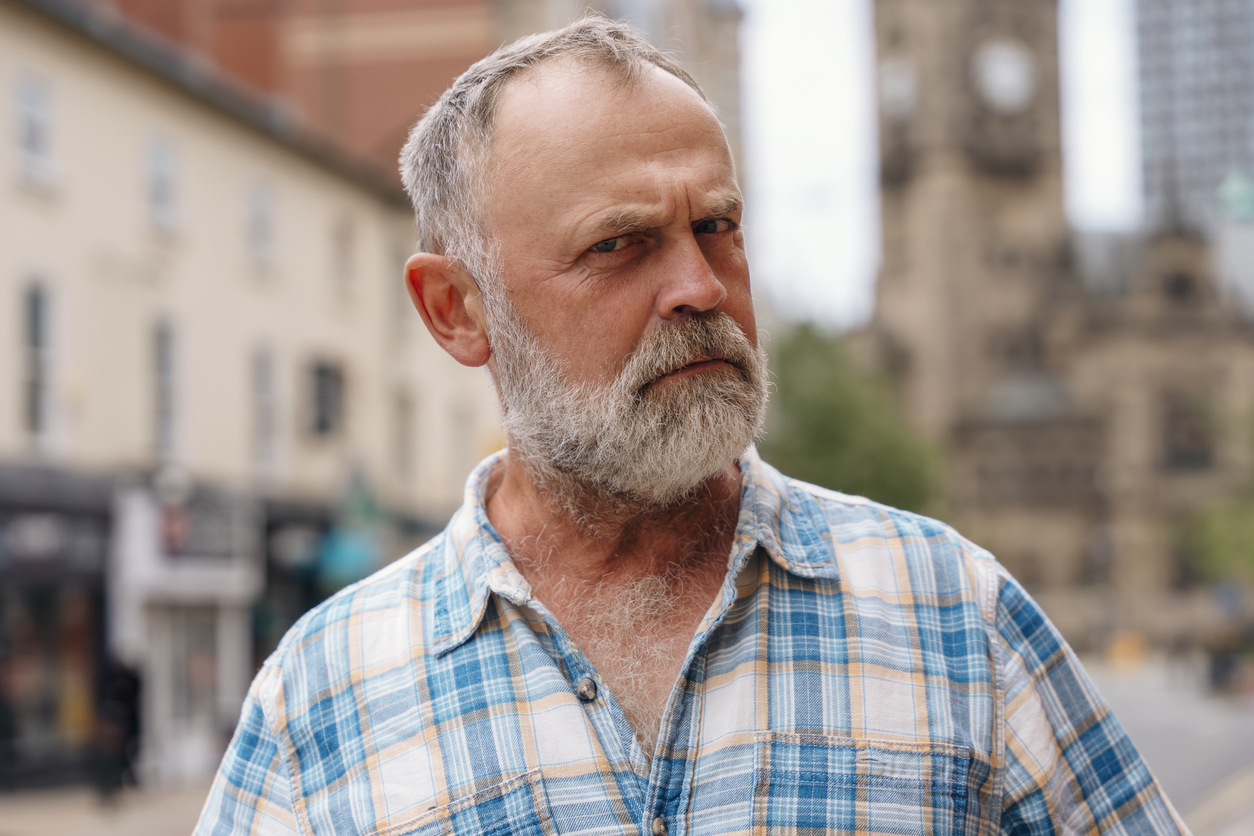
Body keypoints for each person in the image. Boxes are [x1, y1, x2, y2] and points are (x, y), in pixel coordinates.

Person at [196, 17, 1188, 836]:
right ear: (457, 310)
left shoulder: (957, 616)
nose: (701, 287)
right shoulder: (320, 699)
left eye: (717, 227)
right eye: (618, 244)